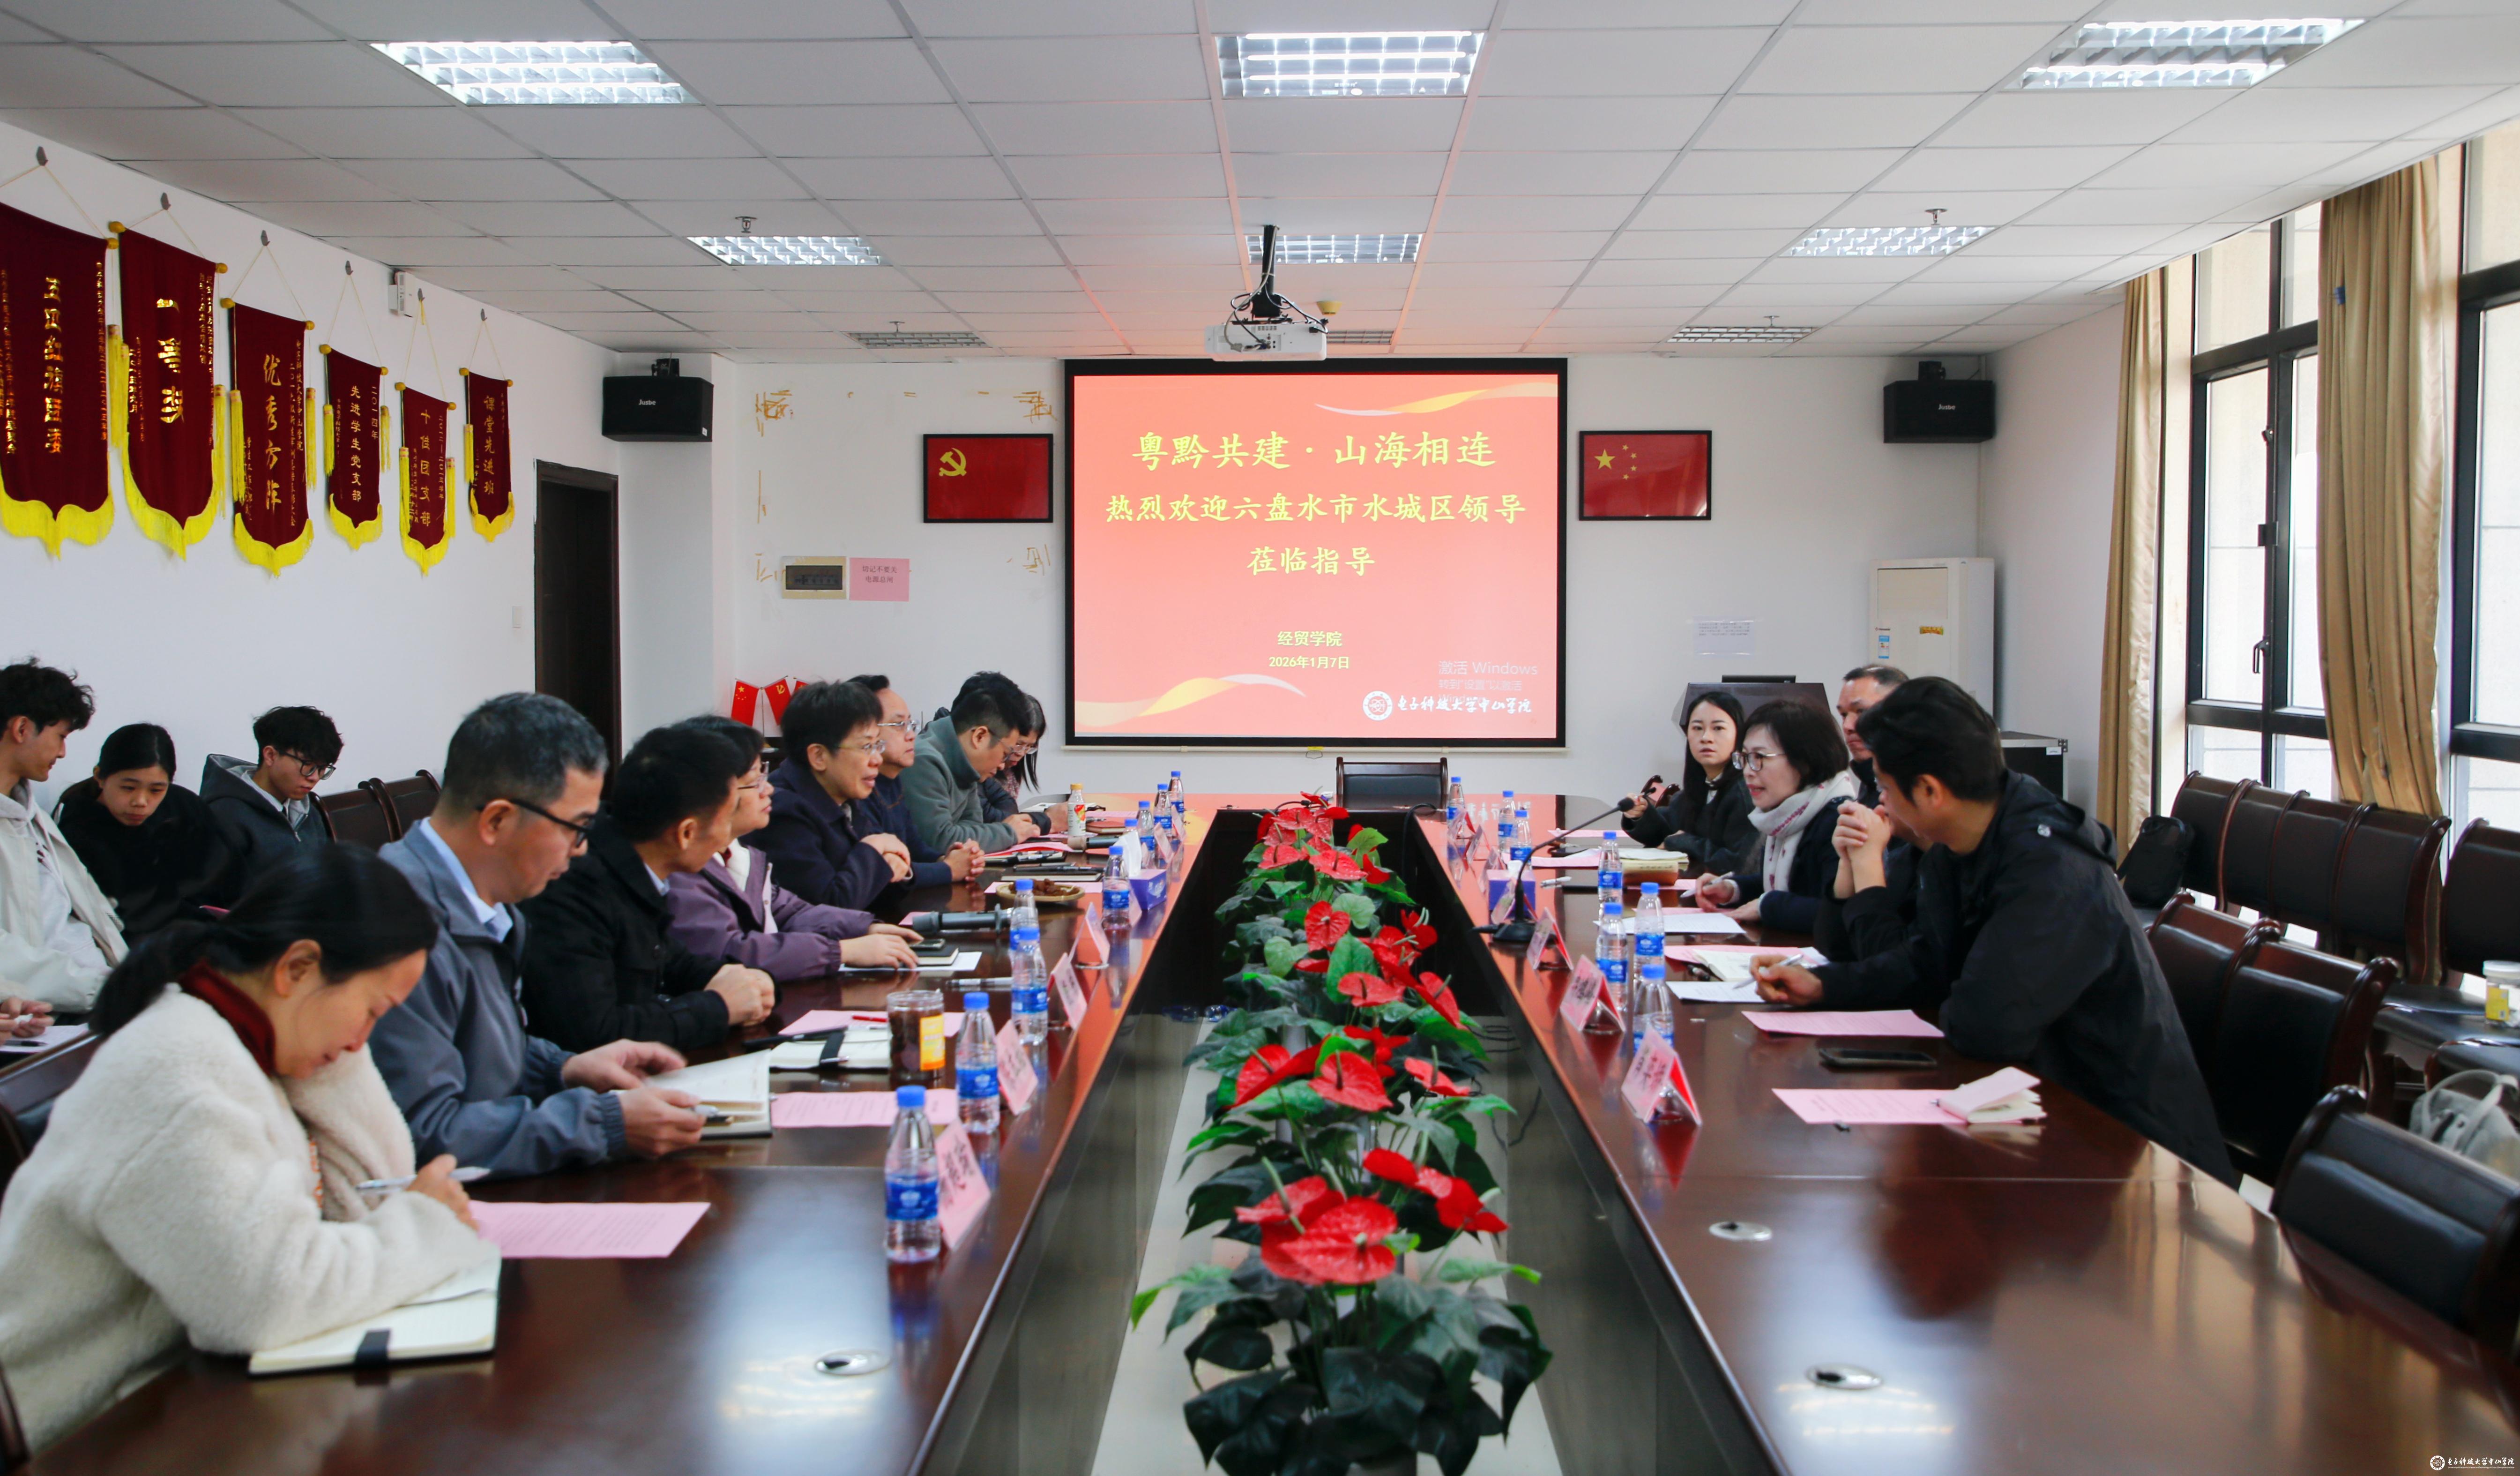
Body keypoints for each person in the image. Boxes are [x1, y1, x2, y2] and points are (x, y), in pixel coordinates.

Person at [0, 847, 492, 1453]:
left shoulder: (246, 1039)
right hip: (74, 1438)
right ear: (297, 967)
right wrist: (425, 1224)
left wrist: (330, 1054)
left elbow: (363, 1204)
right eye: (371, 1011)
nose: (362, 1041)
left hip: (172, 1401)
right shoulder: (176, 1071)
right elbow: (264, 1303)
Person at [1753, 678, 2233, 1183]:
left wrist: (1947, 986)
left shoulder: (2051, 866)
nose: (1881, 803)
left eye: (1886, 788)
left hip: (2129, 1152)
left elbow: (1985, 1024)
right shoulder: (1958, 842)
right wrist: (1825, 985)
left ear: (1930, 792)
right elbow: (1925, 961)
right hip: (2028, 1114)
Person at [373, 694, 710, 1180]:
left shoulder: (492, 901)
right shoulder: (396, 923)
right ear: (497, 820)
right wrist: (601, 1122)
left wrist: (561, 1068)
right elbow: (423, 1135)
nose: (581, 849)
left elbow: (477, 1050)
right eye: (576, 827)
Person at [520, 726, 777, 1056]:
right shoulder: (576, 887)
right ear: (686, 833)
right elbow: (596, 1034)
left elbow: (669, 959)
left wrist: (746, 980)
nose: (728, 836)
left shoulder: (630, 861)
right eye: (727, 820)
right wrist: (719, 1007)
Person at [665, 716, 922, 980]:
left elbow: (789, 910)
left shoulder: (738, 852)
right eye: (755, 780)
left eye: (764, 774)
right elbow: (730, 951)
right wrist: (841, 951)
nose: (768, 789)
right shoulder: (681, 868)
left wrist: (863, 928)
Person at [0, 659, 126, 1011]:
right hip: (51, 1012)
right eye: (61, 736)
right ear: (22, 728)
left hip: (98, 997)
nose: (62, 752)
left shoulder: (34, 817)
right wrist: (111, 989)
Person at [52, 723, 247, 939]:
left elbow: (234, 881)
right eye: (128, 788)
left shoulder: (184, 807)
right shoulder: (78, 833)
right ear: (100, 777)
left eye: (156, 790)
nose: (141, 801)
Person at [1692, 699, 1858, 933]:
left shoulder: (1838, 820)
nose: (1748, 771)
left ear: (1805, 760)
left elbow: (1840, 914)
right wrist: (1732, 889)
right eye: (1745, 758)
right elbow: (1781, 884)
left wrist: (1767, 906)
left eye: (1760, 757)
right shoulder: (1786, 813)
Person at [757, 680, 916, 914]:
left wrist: (896, 864)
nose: (877, 760)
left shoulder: (845, 795)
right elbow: (828, 908)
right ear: (819, 756)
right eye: (866, 747)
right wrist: (875, 848)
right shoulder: (783, 811)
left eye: (877, 746)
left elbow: (879, 891)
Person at [850, 675, 983, 889]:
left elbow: (914, 846)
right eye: (899, 725)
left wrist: (945, 859)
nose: (912, 735)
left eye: (911, 724)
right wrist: (949, 869)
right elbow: (887, 872)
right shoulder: (858, 790)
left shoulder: (892, 780)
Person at [900, 672, 1051, 854]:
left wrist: (968, 834)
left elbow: (973, 827)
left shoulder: (966, 763)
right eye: (1005, 754)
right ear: (980, 736)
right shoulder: (924, 760)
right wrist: (1009, 832)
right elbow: (940, 840)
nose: (1003, 765)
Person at [1620, 689, 1757, 869]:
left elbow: (1740, 862)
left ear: (1739, 735)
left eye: (1718, 728)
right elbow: (1667, 834)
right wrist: (1641, 814)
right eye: (1697, 728)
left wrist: (1687, 843)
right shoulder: (1699, 788)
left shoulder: (1747, 792)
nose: (1706, 738)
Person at [201, 705, 339, 876]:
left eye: (322, 769)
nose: (315, 777)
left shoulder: (309, 811)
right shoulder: (226, 814)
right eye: (308, 765)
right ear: (271, 756)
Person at [1836, 664, 1907, 809]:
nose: (1847, 726)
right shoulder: (1868, 777)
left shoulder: (1915, 788)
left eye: (1862, 711)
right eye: (1844, 715)